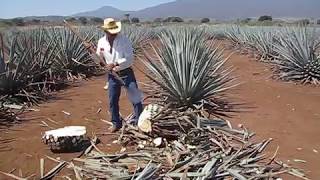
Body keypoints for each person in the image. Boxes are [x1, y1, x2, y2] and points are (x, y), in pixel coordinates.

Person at [86, 18, 143, 132]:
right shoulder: (101, 42)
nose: (113, 34)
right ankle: (116, 123)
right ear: (106, 31)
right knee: (112, 100)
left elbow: (130, 58)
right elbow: (99, 60)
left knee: (136, 98)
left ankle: (139, 122)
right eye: (110, 32)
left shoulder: (124, 40)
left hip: (126, 73)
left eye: (114, 31)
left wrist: (115, 63)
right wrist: (90, 52)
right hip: (112, 75)